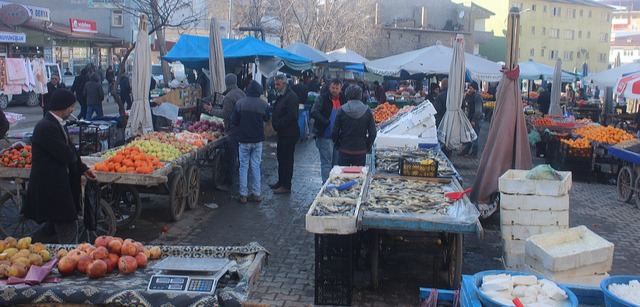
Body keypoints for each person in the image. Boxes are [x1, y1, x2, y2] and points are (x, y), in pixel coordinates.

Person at [23, 89, 97, 244]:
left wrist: (83, 168)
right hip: (50, 186)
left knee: (54, 225)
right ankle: (68, 261)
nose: (73, 110)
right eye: (71, 106)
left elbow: (72, 153)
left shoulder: (57, 124)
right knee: (68, 226)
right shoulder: (46, 127)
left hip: (57, 185)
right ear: (63, 106)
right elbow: (67, 154)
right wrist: (73, 156)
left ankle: (27, 244)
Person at [203, 73, 246, 191]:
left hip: (232, 129)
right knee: (238, 155)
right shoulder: (242, 93)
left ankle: (228, 182)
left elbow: (225, 114)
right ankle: (239, 179)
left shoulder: (229, 96)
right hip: (242, 128)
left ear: (226, 83)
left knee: (230, 156)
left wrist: (211, 110)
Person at [230, 80, 270, 203]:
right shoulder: (264, 105)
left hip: (243, 140)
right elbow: (267, 118)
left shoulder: (240, 103)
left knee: (243, 167)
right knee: (256, 166)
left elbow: (234, 121)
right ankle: (256, 194)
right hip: (257, 140)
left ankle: (243, 195)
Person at [311, 78, 346, 183]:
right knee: (326, 163)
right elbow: (313, 112)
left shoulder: (343, 99)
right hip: (324, 136)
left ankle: (334, 183)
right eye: (333, 88)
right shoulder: (322, 98)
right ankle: (326, 186)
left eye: (337, 88)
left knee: (336, 163)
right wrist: (325, 122)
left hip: (338, 137)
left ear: (340, 89)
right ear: (329, 87)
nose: (334, 90)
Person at [270, 74, 300, 194]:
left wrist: (279, 123)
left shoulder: (291, 97)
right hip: (282, 132)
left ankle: (286, 185)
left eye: (278, 84)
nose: (276, 86)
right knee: (281, 158)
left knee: (287, 160)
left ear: (285, 84)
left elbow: (292, 116)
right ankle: (281, 181)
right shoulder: (282, 95)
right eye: (275, 84)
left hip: (289, 133)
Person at [332, 85, 377, 166]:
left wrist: (337, 144)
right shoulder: (367, 110)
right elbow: (373, 132)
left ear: (347, 95)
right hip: (361, 150)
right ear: (360, 95)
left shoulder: (341, 110)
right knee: (359, 176)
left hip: (344, 149)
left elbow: (334, 131)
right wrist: (368, 145)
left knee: (342, 176)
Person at [460, 81, 484, 157]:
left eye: (471, 88)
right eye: (469, 88)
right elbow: (466, 102)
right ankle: (466, 150)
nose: (469, 90)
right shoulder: (472, 96)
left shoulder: (477, 97)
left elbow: (478, 110)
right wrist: (467, 95)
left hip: (476, 119)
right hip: (472, 118)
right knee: (470, 135)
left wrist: (474, 120)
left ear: (475, 89)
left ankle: (474, 152)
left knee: (475, 135)